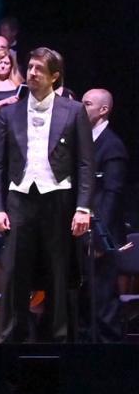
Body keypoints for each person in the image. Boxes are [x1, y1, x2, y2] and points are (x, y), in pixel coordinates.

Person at [0, 47, 96, 344]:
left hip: (58, 199)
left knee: (58, 273)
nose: (32, 73)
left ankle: (59, 342)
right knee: (13, 274)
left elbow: (85, 163)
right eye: (31, 67)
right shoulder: (10, 113)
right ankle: (10, 342)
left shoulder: (73, 111)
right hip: (19, 199)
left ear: (54, 77)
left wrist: (83, 207)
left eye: (39, 70)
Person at [80, 88, 129, 344]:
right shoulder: (83, 140)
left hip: (101, 238)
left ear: (103, 110)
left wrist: (101, 239)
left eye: (86, 104)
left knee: (103, 307)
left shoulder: (112, 146)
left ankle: (110, 366)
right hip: (80, 235)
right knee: (83, 307)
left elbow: (112, 195)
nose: (80, 107)